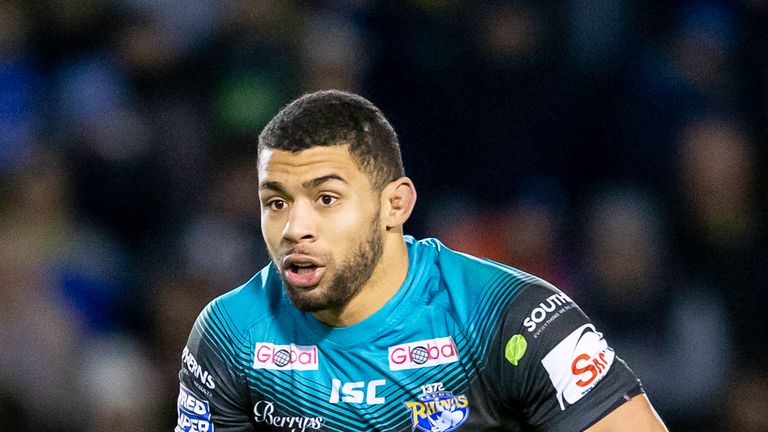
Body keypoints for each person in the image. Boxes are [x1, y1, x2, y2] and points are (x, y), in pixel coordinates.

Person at [176, 90, 668, 432]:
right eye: (276, 202)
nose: (293, 229)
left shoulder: (510, 318)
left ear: (396, 205)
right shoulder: (229, 334)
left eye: (325, 198)